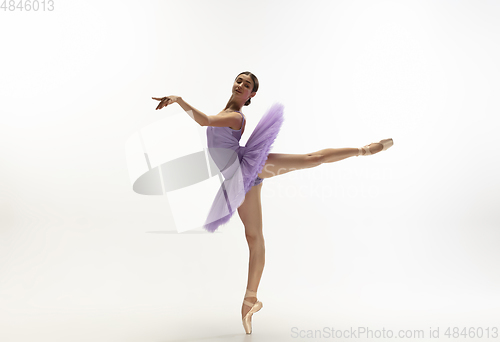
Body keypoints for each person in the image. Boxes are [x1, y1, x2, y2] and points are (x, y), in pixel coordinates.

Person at [152, 71, 393, 334]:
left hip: (247, 166)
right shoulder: (226, 111)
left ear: (251, 95)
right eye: (239, 80)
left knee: (311, 159)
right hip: (237, 180)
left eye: (247, 84)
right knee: (254, 239)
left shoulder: (233, 116)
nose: (241, 84)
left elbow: (205, 121)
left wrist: (179, 100)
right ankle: (250, 301)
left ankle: (366, 149)